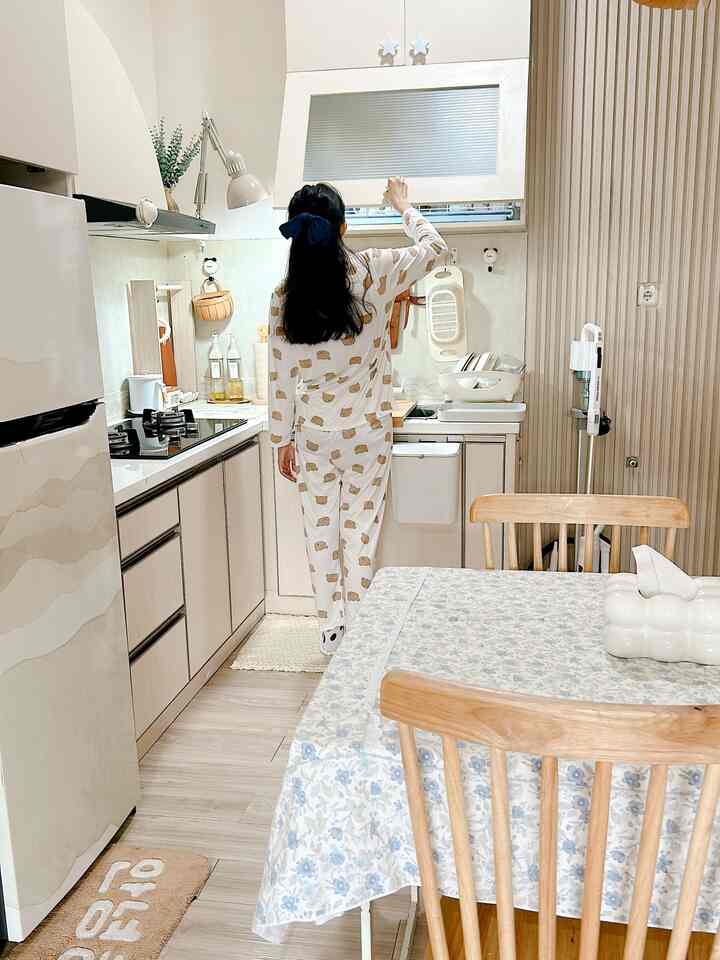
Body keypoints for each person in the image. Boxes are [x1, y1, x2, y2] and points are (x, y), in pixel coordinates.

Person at [267, 178, 448, 654]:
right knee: (358, 535)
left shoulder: (283, 297)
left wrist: (280, 439)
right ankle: (363, 638)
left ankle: (332, 634)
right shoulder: (374, 273)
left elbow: (280, 374)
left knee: (320, 534)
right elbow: (436, 248)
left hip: (314, 437)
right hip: (367, 434)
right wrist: (403, 206)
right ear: (344, 227)